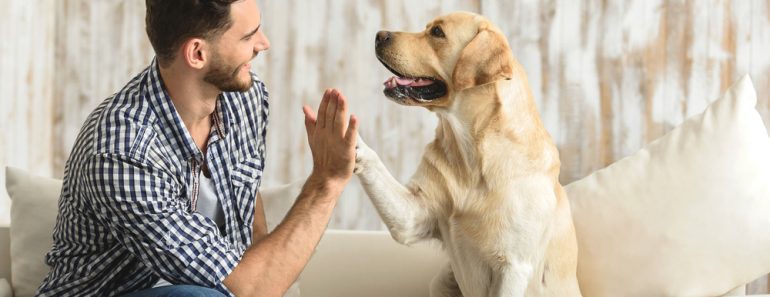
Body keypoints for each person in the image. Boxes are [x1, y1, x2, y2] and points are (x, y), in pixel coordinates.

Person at [36, 0, 358, 296]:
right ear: (197, 54)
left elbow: (250, 216)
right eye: (249, 37)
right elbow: (251, 286)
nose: (264, 44)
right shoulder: (122, 151)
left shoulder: (245, 97)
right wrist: (326, 181)